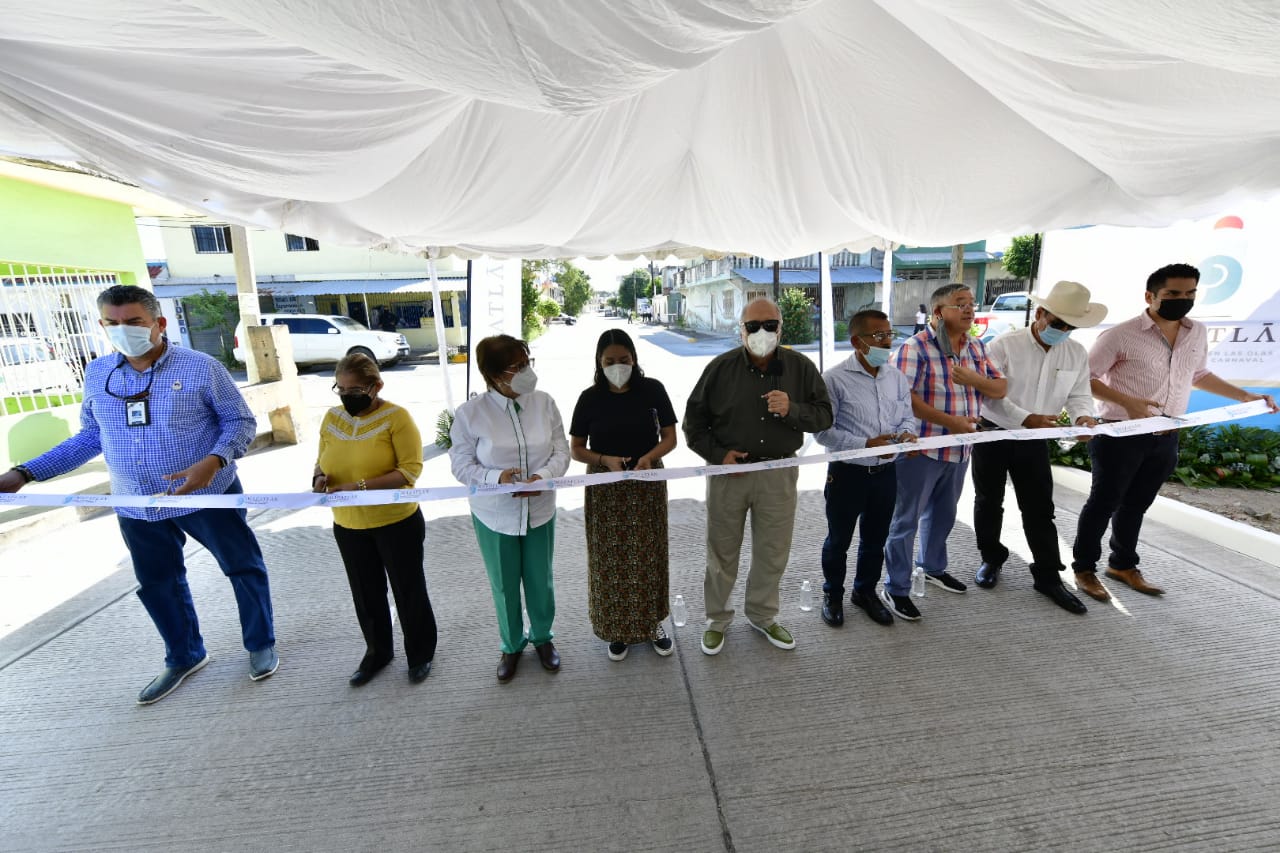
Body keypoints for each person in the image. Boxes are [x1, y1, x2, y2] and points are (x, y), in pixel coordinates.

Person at [0, 285, 277, 705]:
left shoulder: (201, 367)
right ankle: (184, 656)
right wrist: (24, 473)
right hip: (134, 502)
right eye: (112, 323)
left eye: (133, 322)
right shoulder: (98, 374)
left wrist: (214, 461)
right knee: (157, 583)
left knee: (242, 567)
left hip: (206, 493)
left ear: (158, 323)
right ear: (101, 325)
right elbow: (90, 437)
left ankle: (260, 644)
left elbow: (239, 422)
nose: (122, 330)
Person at [1072, 263, 1278, 600]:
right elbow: (1085, 378)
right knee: (1103, 503)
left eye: (1190, 293)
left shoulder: (1196, 332)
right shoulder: (1119, 335)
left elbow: (1198, 374)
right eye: (1172, 293)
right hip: (1121, 433)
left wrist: (1244, 396)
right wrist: (1127, 402)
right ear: (1150, 296)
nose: (1183, 299)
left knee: (1137, 505)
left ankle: (1122, 564)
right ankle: (1084, 569)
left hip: (1167, 434)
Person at [684, 297, 833, 655]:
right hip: (729, 474)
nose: (761, 332)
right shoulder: (720, 369)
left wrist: (792, 409)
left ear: (781, 328)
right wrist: (719, 456)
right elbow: (693, 424)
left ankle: (763, 615)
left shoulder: (799, 367)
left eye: (770, 325)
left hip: (778, 473)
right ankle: (717, 619)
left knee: (773, 550)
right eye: (753, 326)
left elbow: (824, 415)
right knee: (722, 552)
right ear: (741, 330)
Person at [974, 281, 1105, 614]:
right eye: (1058, 323)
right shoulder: (1004, 346)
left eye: (1071, 327)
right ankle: (991, 558)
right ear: (1040, 313)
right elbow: (989, 393)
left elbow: (1079, 394)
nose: (1063, 331)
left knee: (1039, 508)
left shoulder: (1075, 353)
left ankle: (1048, 575)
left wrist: (1083, 417)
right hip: (993, 433)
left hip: (1034, 440)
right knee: (989, 501)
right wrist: (1025, 417)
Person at [881, 283, 1007, 621]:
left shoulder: (976, 347)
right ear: (938, 312)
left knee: (943, 515)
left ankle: (932, 566)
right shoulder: (916, 348)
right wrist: (950, 422)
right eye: (960, 303)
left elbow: (1000, 387)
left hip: (960, 450)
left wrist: (972, 379)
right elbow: (902, 398)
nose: (969, 309)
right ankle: (896, 587)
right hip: (921, 450)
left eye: (972, 303)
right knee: (905, 520)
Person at [450, 335, 570, 682]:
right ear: (493, 375)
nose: (526, 371)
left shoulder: (544, 403)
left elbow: (561, 451)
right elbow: (460, 464)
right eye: (517, 366)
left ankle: (543, 638)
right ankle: (511, 644)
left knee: (540, 580)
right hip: (494, 515)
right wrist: (495, 478)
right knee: (503, 584)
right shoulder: (471, 414)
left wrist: (542, 477)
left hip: (540, 509)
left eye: (527, 362)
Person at [313, 353, 437, 686]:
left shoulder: (397, 418)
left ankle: (420, 654)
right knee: (366, 594)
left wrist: (360, 487)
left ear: (376, 386)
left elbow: (409, 471)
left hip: (396, 522)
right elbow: (321, 459)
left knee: (408, 590)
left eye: (354, 389)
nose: (346, 396)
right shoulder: (331, 418)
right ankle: (378, 653)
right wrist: (319, 478)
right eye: (340, 389)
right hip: (348, 524)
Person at [569, 329, 679, 661]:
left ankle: (652, 624)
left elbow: (670, 438)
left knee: (649, 555)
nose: (618, 366)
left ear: (634, 359)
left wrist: (649, 457)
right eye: (610, 361)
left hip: (647, 481)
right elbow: (577, 448)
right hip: (605, 486)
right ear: (599, 363)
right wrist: (604, 459)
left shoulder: (653, 390)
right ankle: (616, 629)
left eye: (624, 359)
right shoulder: (589, 398)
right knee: (609, 559)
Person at [814, 310, 916, 628]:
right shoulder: (834, 379)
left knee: (875, 540)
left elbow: (907, 416)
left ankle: (865, 592)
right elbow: (822, 432)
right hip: (847, 473)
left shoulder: (895, 377)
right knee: (838, 541)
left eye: (889, 334)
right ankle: (833, 595)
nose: (887, 342)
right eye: (879, 336)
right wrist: (866, 444)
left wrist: (907, 434)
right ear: (857, 342)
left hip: (885, 474)